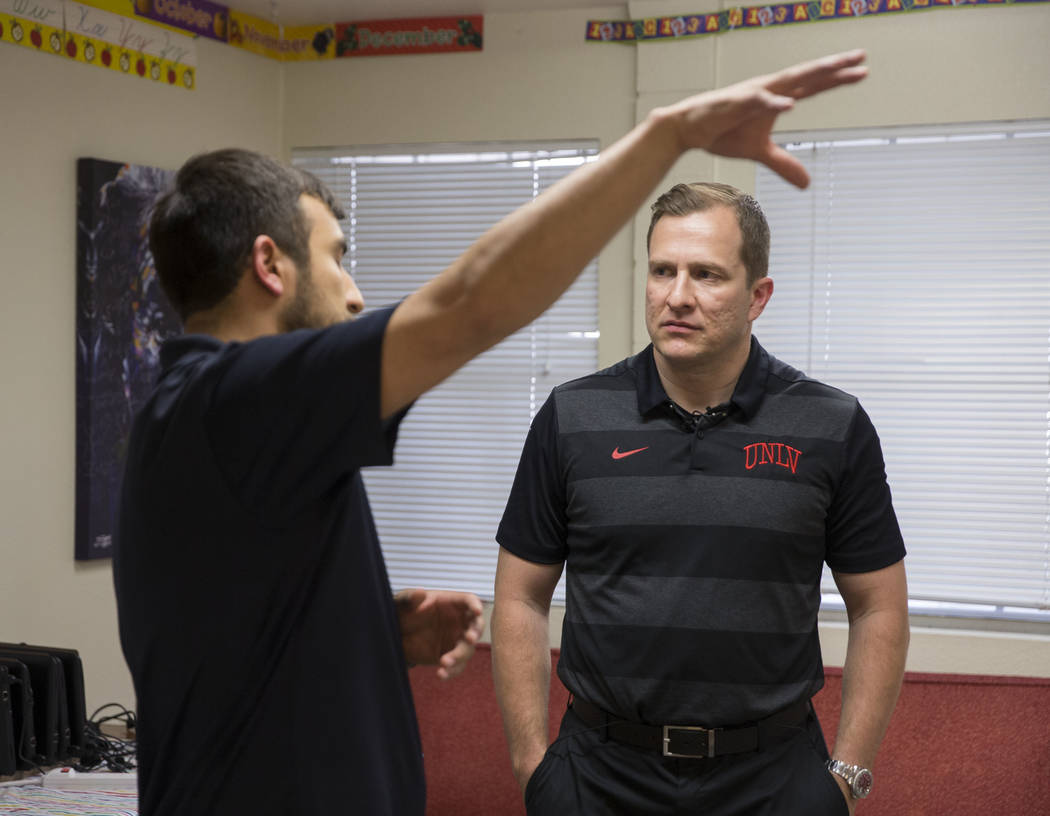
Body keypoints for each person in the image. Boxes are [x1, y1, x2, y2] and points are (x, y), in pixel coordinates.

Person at [112, 51, 871, 816]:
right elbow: (472, 303)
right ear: (270, 266)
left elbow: (235, 640)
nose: (354, 292)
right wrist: (667, 135)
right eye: (337, 258)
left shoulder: (198, 418)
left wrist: (371, 631)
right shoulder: (239, 402)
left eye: (705, 275)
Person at [491, 181, 910, 815]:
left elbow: (879, 609)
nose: (677, 296)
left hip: (771, 778)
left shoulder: (833, 425)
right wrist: (532, 767)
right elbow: (520, 595)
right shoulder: (571, 417)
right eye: (663, 270)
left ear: (757, 296)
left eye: (707, 275)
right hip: (598, 777)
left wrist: (844, 780)